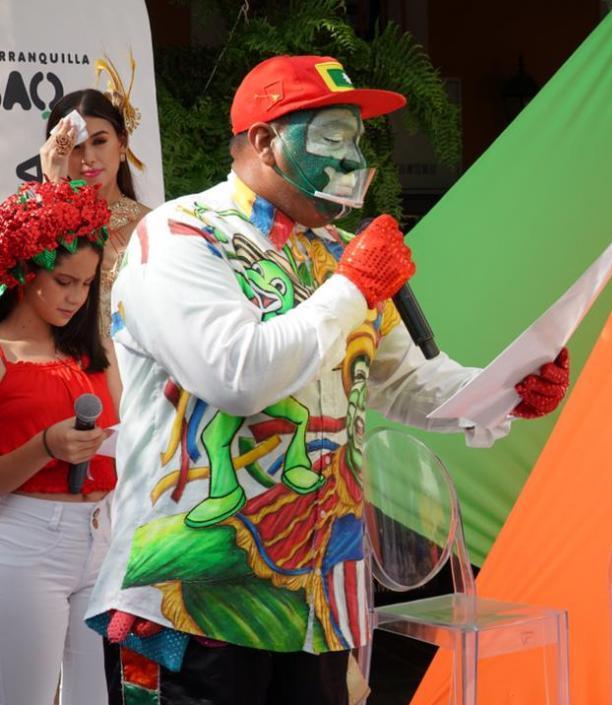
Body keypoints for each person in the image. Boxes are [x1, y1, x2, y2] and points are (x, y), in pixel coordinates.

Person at [84, 55, 570, 705]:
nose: (351, 157)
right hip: (188, 603)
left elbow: (407, 381)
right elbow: (236, 375)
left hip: (317, 601)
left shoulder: (339, 254)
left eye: (357, 139)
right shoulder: (178, 237)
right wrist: (350, 289)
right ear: (263, 141)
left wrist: (510, 383)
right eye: (330, 136)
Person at [0, 180, 117, 705]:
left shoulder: (93, 353)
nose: (76, 296)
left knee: (99, 697)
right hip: (23, 541)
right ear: (25, 270)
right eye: (64, 280)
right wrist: (44, 446)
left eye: (87, 284)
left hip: (103, 540)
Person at [40, 88, 152, 403]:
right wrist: (55, 191)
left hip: (136, 392)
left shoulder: (153, 227)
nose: (88, 158)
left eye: (99, 141)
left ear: (122, 143)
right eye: (74, 147)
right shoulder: (37, 223)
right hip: (56, 385)